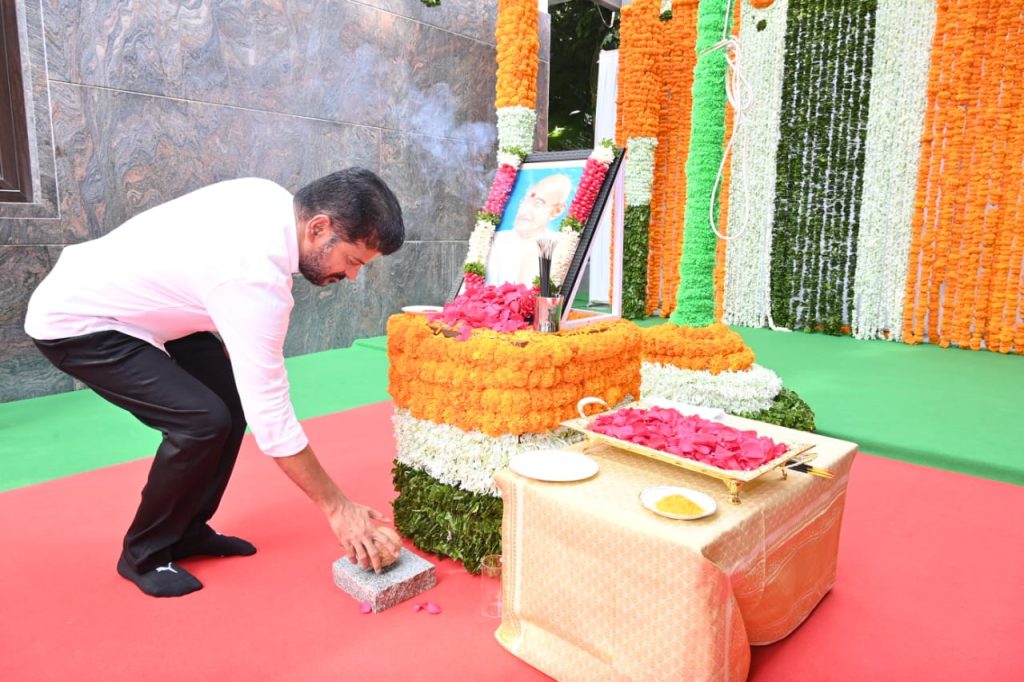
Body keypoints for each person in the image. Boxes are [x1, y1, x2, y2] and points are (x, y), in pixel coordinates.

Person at [24, 169, 406, 598]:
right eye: (353, 261)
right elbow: (272, 417)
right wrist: (338, 508)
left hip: (152, 308)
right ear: (319, 227)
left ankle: (186, 530)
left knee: (230, 403)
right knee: (200, 421)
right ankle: (143, 554)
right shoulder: (255, 280)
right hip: (77, 319)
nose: (352, 277)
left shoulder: (270, 199)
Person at [486, 173, 572, 285]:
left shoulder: (560, 246)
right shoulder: (496, 240)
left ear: (557, 211)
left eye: (538, 203)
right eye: (524, 201)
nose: (524, 210)